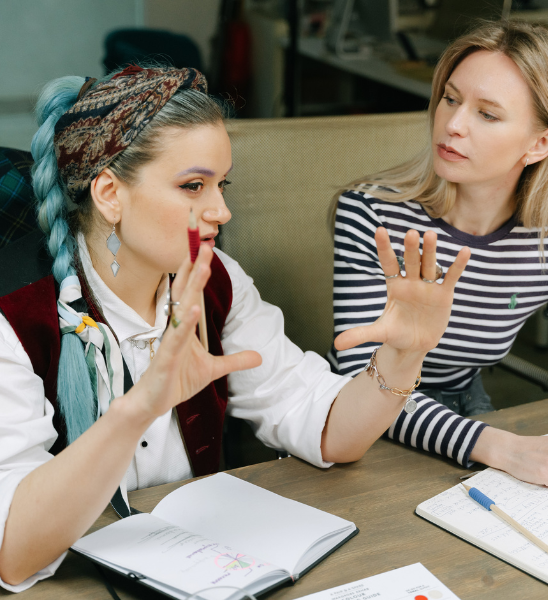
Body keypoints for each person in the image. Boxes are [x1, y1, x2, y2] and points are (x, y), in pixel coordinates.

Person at [0, 64, 472, 591]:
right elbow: (14, 556)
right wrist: (141, 406)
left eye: (222, 184)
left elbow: (332, 432)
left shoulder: (219, 282)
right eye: (193, 185)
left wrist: (405, 354)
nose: (221, 210)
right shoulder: (14, 317)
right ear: (110, 193)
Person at [331, 19, 548, 491]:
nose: (452, 125)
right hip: (362, 420)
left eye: (487, 114)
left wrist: (499, 443)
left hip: (469, 412)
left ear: (541, 143)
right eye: (450, 98)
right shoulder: (371, 213)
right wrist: (503, 447)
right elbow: (363, 383)